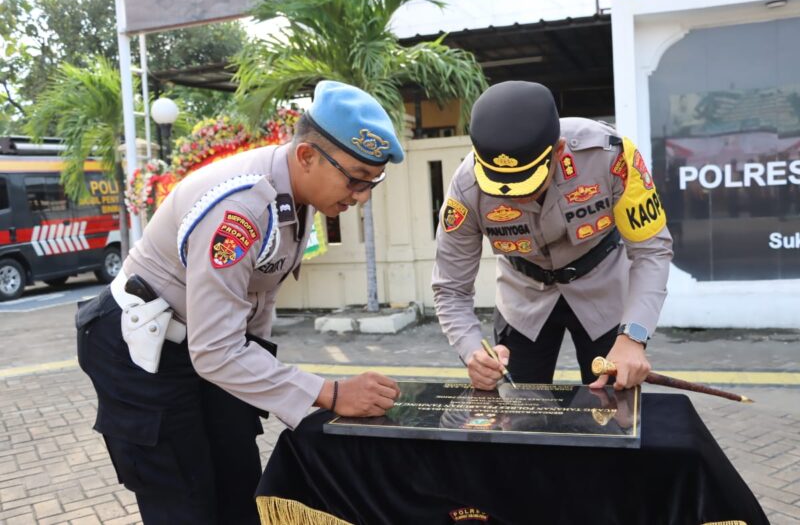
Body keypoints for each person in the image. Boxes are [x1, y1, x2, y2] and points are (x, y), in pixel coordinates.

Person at [76, 80, 403, 524]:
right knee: (185, 500)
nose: (361, 196)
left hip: (207, 342)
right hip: (143, 349)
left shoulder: (299, 194)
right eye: (355, 179)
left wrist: (289, 391)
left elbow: (256, 296)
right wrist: (331, 393)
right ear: (306, 155)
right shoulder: (241, 210)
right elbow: (214, 352)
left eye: (372, 183)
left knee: (240, 486)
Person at [432, 81, 673, 392]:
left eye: (527, 184)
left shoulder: (611, 157)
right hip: (523, 296)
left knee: (614, 411)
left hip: (603, 287)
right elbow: (450, 288)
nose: (515, 199)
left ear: (558, 152)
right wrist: (473, 352)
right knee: (516, 411)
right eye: (500, 188)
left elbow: (651, 251)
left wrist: (634, 337)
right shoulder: (466, 189)